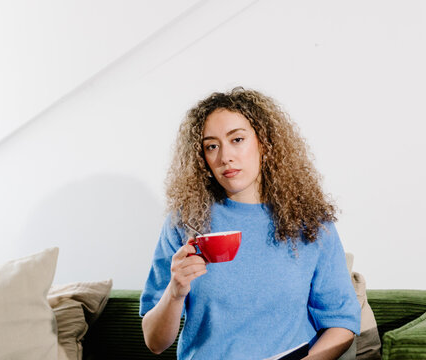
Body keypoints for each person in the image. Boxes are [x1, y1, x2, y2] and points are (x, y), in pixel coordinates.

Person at [140, 87, 361, 359]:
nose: (225, 157)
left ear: (264, 143)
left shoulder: (310, 222)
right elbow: (155, 342)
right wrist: (175, 292)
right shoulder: (186, 222)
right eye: (212, 146)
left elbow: (341, 321)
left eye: (237, 139)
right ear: (202, 159)